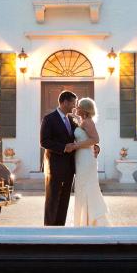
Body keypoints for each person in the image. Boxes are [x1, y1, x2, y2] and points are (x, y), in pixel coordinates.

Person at [68, 97, 111, 227]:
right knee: (82, 186)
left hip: (86, 158)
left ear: (85, 109)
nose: (76, 107)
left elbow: (95, 139)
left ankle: (93, 220)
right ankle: (84, 220)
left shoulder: (88, 122)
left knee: (87, 186)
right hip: (81, 157)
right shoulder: (82, 121)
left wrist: (75, 146)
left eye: (79, 106)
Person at [40, 91, 79, 226]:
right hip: (54, 166)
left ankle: (60, 227)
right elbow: (44, 142)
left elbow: (82, 136)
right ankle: (49, 229)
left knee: (65, 199)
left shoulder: (71, 120)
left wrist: (95, 145)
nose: (74, 106)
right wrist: (64, 147)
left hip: (69, 167)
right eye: (73, 103)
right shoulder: (49, 119)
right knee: (53, 198)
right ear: (65, 102)